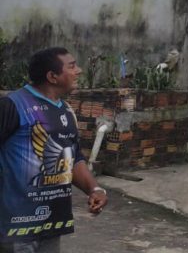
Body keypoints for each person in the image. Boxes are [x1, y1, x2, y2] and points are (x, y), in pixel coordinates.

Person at [0, 47, 108, 252]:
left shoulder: (66, 110)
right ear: (52, 76)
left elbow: (72, 157)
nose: (79, 71)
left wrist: (94, 189)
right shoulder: (12, 106)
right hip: (15, 227)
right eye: (72, 66)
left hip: (51, 223)